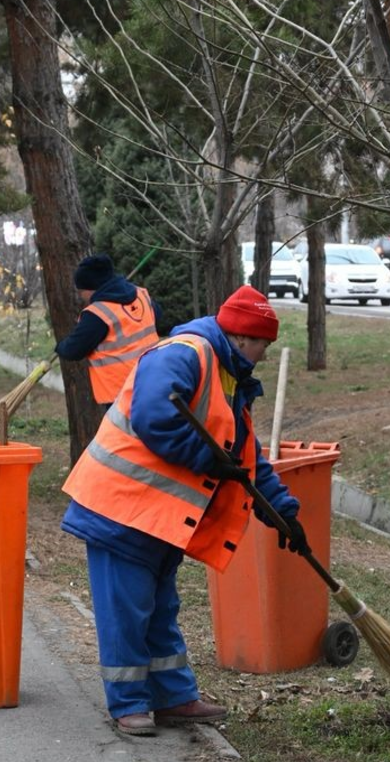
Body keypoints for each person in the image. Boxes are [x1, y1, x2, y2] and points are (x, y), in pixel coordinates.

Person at [60, 284, 304, 737]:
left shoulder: (229, 375)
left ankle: (173, 697)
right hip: (120, 510)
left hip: (160, 518)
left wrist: (283, 512)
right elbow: (154, 417)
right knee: (126, 611)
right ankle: (129, 703)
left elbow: (246, 456)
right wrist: (206, 457)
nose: (265, 355)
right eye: (263, 345)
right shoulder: (183, 354)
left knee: (160, 609)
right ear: (244, 337)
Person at [54, 253, 166, 411]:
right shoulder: (140, 295)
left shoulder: (97, 314)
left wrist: (60, 347)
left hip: (122, 393)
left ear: (92, 288)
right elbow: (157, 314)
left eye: (81, 291)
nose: (81, 296)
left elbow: (73, 350)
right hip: (153, 378)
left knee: (125, 436)